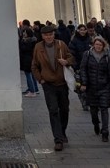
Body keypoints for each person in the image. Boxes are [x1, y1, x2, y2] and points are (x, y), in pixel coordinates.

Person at [30, 24, 74, 152]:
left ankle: (62, 131)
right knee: (53, 110)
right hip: (48, 84)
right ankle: (58, 139)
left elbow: (71, 57)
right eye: (46, 35)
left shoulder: (61, 45)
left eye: (50, 34)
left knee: (64, 109)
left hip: (62, 83)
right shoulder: (38, 47)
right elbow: (34, 66)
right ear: (42, 36)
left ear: (54, 34)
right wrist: (40, 79)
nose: (48, 37)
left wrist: (67, 62)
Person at [77, 34, 110, 142]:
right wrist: (84, 83)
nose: (98, 46)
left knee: (104, 109)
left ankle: (105, 131)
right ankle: (96, 123)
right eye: (96, 44)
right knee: (94, 110)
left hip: (104, 87)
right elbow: (83, 69)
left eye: (100, 45)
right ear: (93, 45)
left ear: (103, 46)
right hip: (91, 87)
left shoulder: (107, 56)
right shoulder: (88, 54)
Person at [18, 21, 39, 96]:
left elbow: (24, 49)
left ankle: (32, 91)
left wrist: (22, 42)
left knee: (28, 74)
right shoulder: (33, 40)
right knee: (32, 74)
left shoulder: (26, 41)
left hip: (27, 58)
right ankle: (35, 88)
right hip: (31, 58)